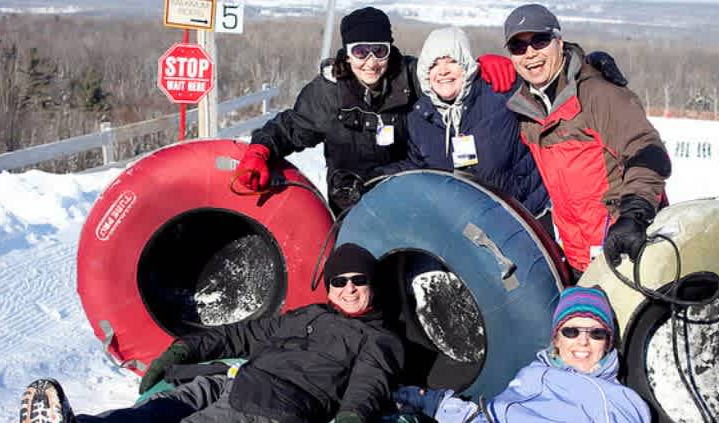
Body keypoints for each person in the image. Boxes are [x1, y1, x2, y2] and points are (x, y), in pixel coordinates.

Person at [7, 243, 405, 423]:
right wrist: (185, 349)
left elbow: (367, 385)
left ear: (372, 285)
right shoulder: (308, 315)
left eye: (359, 281)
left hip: (275, 405)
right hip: (235, 381)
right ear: (329, 286)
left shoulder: (378, 338)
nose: (349, 290)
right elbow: (242, 334)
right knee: (158, 409)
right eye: (340, 281)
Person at [235, 7, 518, 214]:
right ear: (347, 53)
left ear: (389, 49)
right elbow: (289, 128)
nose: (370, 63)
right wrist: (260, 151)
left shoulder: (411, 77)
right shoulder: (328, 93)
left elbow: (447, 79)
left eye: (379, 51)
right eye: (360, 52)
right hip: (350, 204)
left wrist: (480, 69)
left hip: (410, 201)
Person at [502, 4, 672, 281]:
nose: (530, 53)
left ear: (559, 41)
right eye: (518, 47)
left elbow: (648, 151)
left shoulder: (599, 95)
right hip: (578, 257)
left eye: (540, 41)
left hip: (627, 247)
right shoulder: (526, 110)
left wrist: (634, 214)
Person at [395, 285, 651, 423]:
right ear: (557, 339)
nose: (583, 342)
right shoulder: (533, 373)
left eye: (596, 333)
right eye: (571, 331)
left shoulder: (615, 398)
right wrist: (438, 403)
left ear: (608, 343)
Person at [379, 26, 550, 223]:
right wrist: (378, 176)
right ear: (426, 72)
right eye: (434, 64)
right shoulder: (420, 117)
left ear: (467, 65)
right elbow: (418, 166)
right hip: (470, 226)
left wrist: (512, 68)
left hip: (528, 216)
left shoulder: (501, 92)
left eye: (452, 61)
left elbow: (546, 87)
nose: (443, 71)